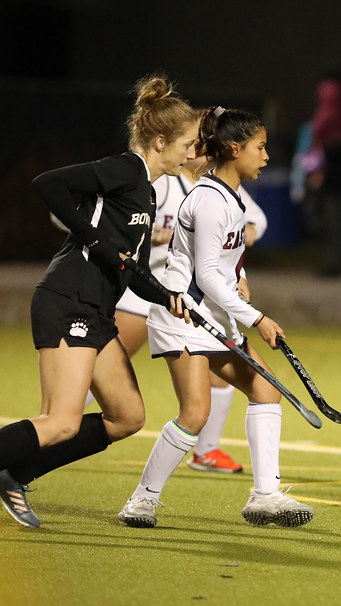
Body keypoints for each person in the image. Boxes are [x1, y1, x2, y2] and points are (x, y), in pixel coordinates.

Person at [0, 74, 197, 528]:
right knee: (62, 422)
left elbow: (134, 270)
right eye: (186, 144)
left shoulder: (146, 192)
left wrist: (169, 297)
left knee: (126, 416)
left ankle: (14, 475)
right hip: (68, 298)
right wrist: (95, 241)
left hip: (97, 311)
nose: (191, 154)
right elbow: (47, 183)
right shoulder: (125, 169)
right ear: (161, 140)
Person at [117, 106, 314, 528]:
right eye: (260, 148)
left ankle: (265, 497)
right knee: (194, 414)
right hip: (184, 317)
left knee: (266, 390)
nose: (265, 157)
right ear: (235, 148)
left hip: (214, 319)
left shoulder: (231, 198)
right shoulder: (208, 200)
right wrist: (256, 318)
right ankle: (142, 501)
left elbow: (223, 265)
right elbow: (205, 275)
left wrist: (240, 281)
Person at [89, 155, 268, 475]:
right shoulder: (164, 184)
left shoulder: (223, 188)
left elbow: (256, 221)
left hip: (191, 300)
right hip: (146, 291)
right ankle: (62, 422)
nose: (195, 151)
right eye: (190, 143)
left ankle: (207, 451)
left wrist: (245, 235)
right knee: (108, 369)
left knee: (221, 378)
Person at [296, 70, 341, 277]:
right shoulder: (329, 113)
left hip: (337, 175)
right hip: (327, 173)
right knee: (322, 216)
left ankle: (337, 262)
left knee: (336, 218)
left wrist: (324, 165)